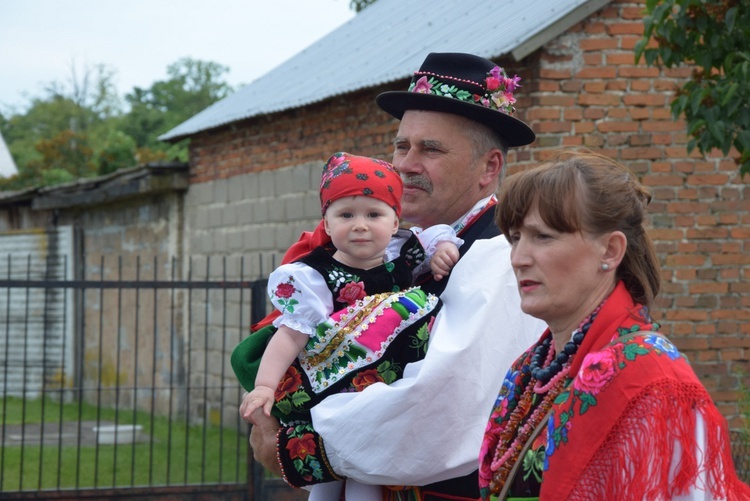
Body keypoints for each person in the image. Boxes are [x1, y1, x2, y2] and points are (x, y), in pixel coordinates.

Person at [248, 52, 547, 501]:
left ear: (489, 169)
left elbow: (433, 405)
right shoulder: (400, 246)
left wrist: (291, 444)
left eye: (431, 149)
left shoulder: (496, 256)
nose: (406, 164)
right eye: (401, 146)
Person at [478, 151, 750, 500]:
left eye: (542, 237)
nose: (518, 258)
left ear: (610, 251)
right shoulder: (531, 370)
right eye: (515, 238)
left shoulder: (654, 380)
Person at [233, 151, 462, 500]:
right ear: (326, 224)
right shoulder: (314, 277)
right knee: (328, 475)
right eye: (346, 214)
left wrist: (444, 247)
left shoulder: (406, 254)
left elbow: (436, 239)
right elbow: (291, 334)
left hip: (381, 393)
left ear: (395, 219)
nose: (360, 224)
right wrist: (265, 386)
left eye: (374, 214)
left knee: (366, 475)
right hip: (332, 392)